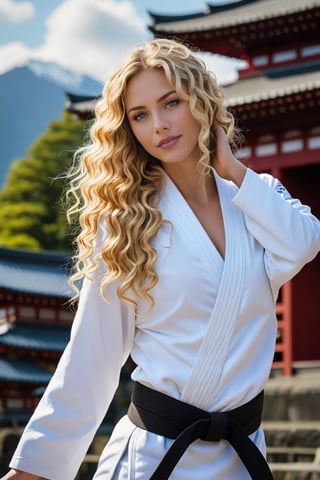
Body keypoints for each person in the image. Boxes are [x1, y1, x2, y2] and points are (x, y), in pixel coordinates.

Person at [2, 38, 320, 480]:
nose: (159, 126)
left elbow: (304, 243)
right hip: (155, 458)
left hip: (242, 456)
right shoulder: (126, 224)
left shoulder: (253, 199)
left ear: (199, 100)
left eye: (171, 103)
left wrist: (234, 171)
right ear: (128, 128)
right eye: (140, 115)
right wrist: (34, 469)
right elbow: (91, 359)